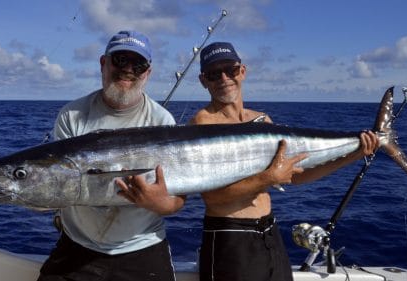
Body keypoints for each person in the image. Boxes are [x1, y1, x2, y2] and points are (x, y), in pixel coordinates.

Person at [189, 42, 379, 281]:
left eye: (230, 69)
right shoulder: (202, 124)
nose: (224, 78)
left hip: (270, 233)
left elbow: (296, 174)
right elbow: (213, 197)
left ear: (243, 71)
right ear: (203, 81)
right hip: (230, 238)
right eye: (214, 74)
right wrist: (268, 178)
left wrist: (354, 154)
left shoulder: (261, 120)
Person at [37, 30, 186, 281]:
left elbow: (178, 199)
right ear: (103, 63)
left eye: (137, 64)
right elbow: (57, 183)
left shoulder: (161, 120)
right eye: (120, 60)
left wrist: (160, 204)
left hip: (142, 246)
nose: (128, 69)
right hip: (77, 246)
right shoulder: (71, 115)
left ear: (147, 73)